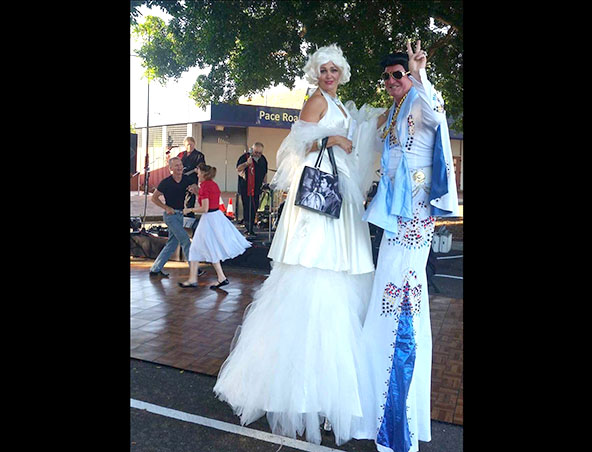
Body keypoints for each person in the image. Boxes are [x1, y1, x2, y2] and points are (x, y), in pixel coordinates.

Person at [214, 44, 375, 446]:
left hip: (337, 198)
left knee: (335, 277)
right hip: (318, 204)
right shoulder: (315, 101)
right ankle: (302, 393)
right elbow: (295, 150)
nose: (330, 75)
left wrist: (344, 140)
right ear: (315, 72)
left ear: (342, 72)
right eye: (324, 69)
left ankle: (324, 389)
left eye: (335, 69)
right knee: (312, 273)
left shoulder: (335, 101)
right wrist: (333, 141)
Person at [352, 40, 459, 452]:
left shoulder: (421, 99)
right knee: (389, 289)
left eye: (399, 74)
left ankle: (398, 420)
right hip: (394, 214)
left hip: (416, 213)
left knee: (404, 300)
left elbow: (438, 116)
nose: (393, 81)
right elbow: (381, 143)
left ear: (410, 75)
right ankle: (381, 403)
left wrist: (422, 76)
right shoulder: (396, 108)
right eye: (389, 76)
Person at [179, 163, 251, 290]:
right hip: (215, 217)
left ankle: (194, 279)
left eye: (199, 172)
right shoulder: (212, 184)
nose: (197, 174)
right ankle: (219, 277)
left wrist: (189, 209)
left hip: (209, 219)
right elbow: (209, 202)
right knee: (207, 248)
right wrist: (197, 192)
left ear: (204, 174)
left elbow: (205, 208)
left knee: (196, 248)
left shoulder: (205, 186)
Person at [148, 157, 199, 277]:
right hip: (170, 216)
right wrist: (166, 207)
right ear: (171, 168)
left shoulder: (187, 179)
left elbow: (199, 192)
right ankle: (194, 269)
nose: (180, 167)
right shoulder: (166, 182)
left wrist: (194, 190)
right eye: (176, 165)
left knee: (172, 244)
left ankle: (155, 269)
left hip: (180, 215)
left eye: (180, 165)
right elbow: (154, 198)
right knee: (185, 240)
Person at [236, 142, 267, 235]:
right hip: (246, 187)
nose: (257, 155)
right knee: (247, 207)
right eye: (256, 152)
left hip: (257, 188)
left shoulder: (263, 160)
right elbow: (238, 168)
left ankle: (251, 227)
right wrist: (247, 164)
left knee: (254, 207)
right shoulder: (244, 157)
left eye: (260, 153)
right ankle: (247, 227)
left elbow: (265, 173)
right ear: (252, 150)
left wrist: (265, 184)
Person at [178, 137, 206, 217]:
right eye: (187, 145)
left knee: (189, 201)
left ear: (194, 144)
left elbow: (202, 167)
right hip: (180, 179)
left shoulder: (199, 155)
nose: (189, 146)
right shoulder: (181, 155)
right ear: (184, 145)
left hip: (191, 180)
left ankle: (189, 219)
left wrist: (197, 170)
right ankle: (179, 216)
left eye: (191, 144)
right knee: (179, 200)